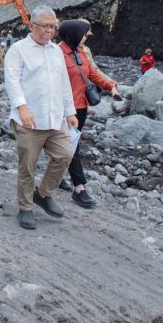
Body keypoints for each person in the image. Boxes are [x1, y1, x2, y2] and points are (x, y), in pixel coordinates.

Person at [5, 5, 78, 230]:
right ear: (32, 25)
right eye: (45, 26)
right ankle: (25, 207)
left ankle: (43, 194)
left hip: (54, 118)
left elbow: (64, 83)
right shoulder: (18, 50)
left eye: (53, 26)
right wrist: (22, 107)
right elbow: (12, 80)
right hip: (29, 120)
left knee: (65, 155)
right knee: (27, 165)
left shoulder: (56, 51)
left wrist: (70, 111)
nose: (49, 30)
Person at [58, 19, 120, 208]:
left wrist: (110, 86)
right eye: (83, 34)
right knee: (72, 145)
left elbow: (92, 74)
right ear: (73, 35)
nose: (86, 37)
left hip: (81, 107)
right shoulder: (57, 54)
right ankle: (80, 189)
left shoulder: (81, 53)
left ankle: (56, 176)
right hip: (64, 109)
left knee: (68, 144)